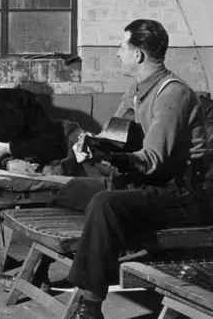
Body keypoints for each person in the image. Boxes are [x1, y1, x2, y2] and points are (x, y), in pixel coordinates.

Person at [66, 19, 212, 319]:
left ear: (139, 55)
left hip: (183, 195)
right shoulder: (136, 89)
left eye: (122, 47)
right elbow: (114, 137)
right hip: (151, 186)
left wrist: (110, 156)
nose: (118, 53)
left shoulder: (173, 94)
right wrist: (91, 144)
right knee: (70, 190)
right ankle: (96, 257)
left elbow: (152, 160)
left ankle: (90, 303)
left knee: (103, 204)